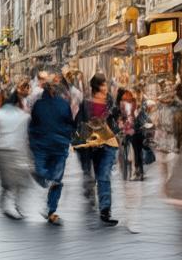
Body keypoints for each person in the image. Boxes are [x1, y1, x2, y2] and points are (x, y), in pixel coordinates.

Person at [29, 80, 75, 226]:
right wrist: (68, 138)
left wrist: (32, 141)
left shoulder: (38, 105)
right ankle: (50, 210)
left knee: (42, 172)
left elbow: (33, 124)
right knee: (57, 179)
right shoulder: (64, 104)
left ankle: (47, 192)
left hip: (42, 145)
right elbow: (70, 124)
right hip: (60, 145)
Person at [77, 74, 119, 226]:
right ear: (98, 86)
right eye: (104, 84)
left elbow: (117, 117)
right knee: (95, 175)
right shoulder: (86, 103)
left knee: (104, 175)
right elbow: (80, 122)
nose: (106, 87)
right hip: (93, 144)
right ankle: (93, 196)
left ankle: (105, 210)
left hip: (108, 142)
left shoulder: (110, 102)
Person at [0, 86, 33, 219]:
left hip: (1, 151)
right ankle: (15, 204)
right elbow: (27, 136)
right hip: (18, 151)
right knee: (21, 180)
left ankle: (4, 202)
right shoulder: (24, 116)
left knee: (7, 182)